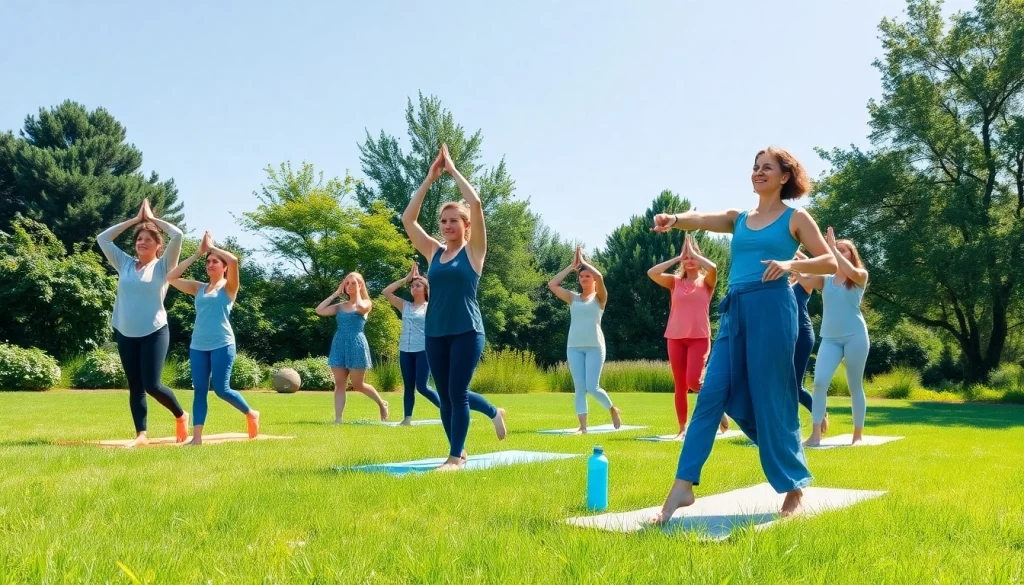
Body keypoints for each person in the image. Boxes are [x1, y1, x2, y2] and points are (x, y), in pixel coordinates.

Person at [649, 147, 838, 521]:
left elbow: (830, 262)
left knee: (773, 399)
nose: (758, 172)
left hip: (773, 309)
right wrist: (674, 219)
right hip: (735, 310)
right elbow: (703, 219)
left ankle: (794, 487)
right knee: (711, 393)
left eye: (767, 167)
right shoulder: (739, 219)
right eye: (755, 167)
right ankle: (682, 487)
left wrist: (789, 263)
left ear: (785, 177)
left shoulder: (796, 217)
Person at [402, 144, 507, 471]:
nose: (447, 226)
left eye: (453, 221)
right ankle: (459, 450)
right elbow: (408, 219)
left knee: (457, 392)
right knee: (445, 396)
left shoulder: (474, 252)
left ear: (465, 225)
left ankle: (454, 456)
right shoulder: (433, 252)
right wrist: (429, 179)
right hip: (435, 332)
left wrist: (452, 170)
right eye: (443, 221)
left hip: (467, 331)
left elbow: (475, 204)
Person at [96, 199, 189, 447]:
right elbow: (103, 239)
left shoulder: (164, 266)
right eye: (139, 239)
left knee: (152, 385)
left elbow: (177, 234)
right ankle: (141, 435)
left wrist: (152, 219)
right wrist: (136, 220)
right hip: (125, 331)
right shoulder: (124, 263)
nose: (142, 242)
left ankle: (181, 415)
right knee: (135, 386)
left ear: (159, 245)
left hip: (155, 331)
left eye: (148, 239)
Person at [166, 231, 259, 445]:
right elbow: (171, 277)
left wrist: (212, 248)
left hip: (222, 344)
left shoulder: (229, 288)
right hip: (198, 345)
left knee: (221, 390)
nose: (210, 264)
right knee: (199, 390)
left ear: (224, 267)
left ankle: (251, 413)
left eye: (215, 261)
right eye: (208, 262)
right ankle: (197, 438)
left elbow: (234, 260)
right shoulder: (199, 288)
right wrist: (198, 254)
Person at [648, 234, 729, 440]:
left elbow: (713, 268)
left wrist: (693, 253)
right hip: (675, 337)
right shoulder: (674, 282)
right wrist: (678, 257)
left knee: (693, 381)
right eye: (687, 258)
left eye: (693, 257)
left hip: (699, 338)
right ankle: (682, 428)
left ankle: (718, 407)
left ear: (699, 259)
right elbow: (652, 272)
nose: (690, 260)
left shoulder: (706, 282)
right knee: (680, 385)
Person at [804, 227, 870, 446]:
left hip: (855, 337)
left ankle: (857, 436)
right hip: (830, 339)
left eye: (844, 250)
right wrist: (792, 258)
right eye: (837, 249)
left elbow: (849, 270)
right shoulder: (826, 280)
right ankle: (815, 435)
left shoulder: (860, 276)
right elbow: (803, 278)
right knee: (819, 382)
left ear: (852, 254)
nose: (838, 252)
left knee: (854, 386)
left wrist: (832, 248)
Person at [547, 245, 622, 434]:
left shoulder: (600, 298)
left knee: (592, 387)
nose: (584, 278)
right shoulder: (573, 298)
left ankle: (612, 409)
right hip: (574, 347)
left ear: (593, 279)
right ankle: (583, 427)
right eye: (581, 276)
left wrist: (585, 262)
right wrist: (572, 267)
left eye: (587, 276)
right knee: (580, 388)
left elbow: (600, 277)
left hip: (595, 347)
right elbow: (553, 285)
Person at [316, 272, 389, 424]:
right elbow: (319, 310)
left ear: (360, 285)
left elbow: (361, 307)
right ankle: (338, 419)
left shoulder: (366, 303)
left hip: (356, 344)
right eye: (347, 283)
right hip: (339, 344)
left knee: (358, 384)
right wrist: (336, 293)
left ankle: (381, 403)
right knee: (340, 384)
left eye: (353, 283)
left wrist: (358, 293)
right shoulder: (340, 306)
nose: (349, 286)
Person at [790, 250, 828, 431]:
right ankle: (788, 426)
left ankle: (820, 413)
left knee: (796, 386)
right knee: (783, 386)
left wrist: (793, 247)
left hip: (802, 336)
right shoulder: (781, 286)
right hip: (785, 337)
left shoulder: (804, 284)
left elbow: (809, 263)